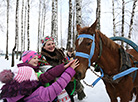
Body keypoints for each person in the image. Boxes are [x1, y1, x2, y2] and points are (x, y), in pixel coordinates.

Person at [0, 50, 80, 102]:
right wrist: (70, 70)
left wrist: (63, 67)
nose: (37, 60)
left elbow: (46, 75)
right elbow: (56, 86)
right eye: (34, 58)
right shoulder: (37, 94)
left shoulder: (19, 86)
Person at [39, 36, 86, 101]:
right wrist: (67, 67)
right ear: (44, 46)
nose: (51, 46)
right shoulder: (42, 57)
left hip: (66, 79)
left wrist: (71, 62)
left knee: (70, 94)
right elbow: (49, 70)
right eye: (48, 44)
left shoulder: (60, 52)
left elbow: (65, 61)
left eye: (53, 43)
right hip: (55, 83)